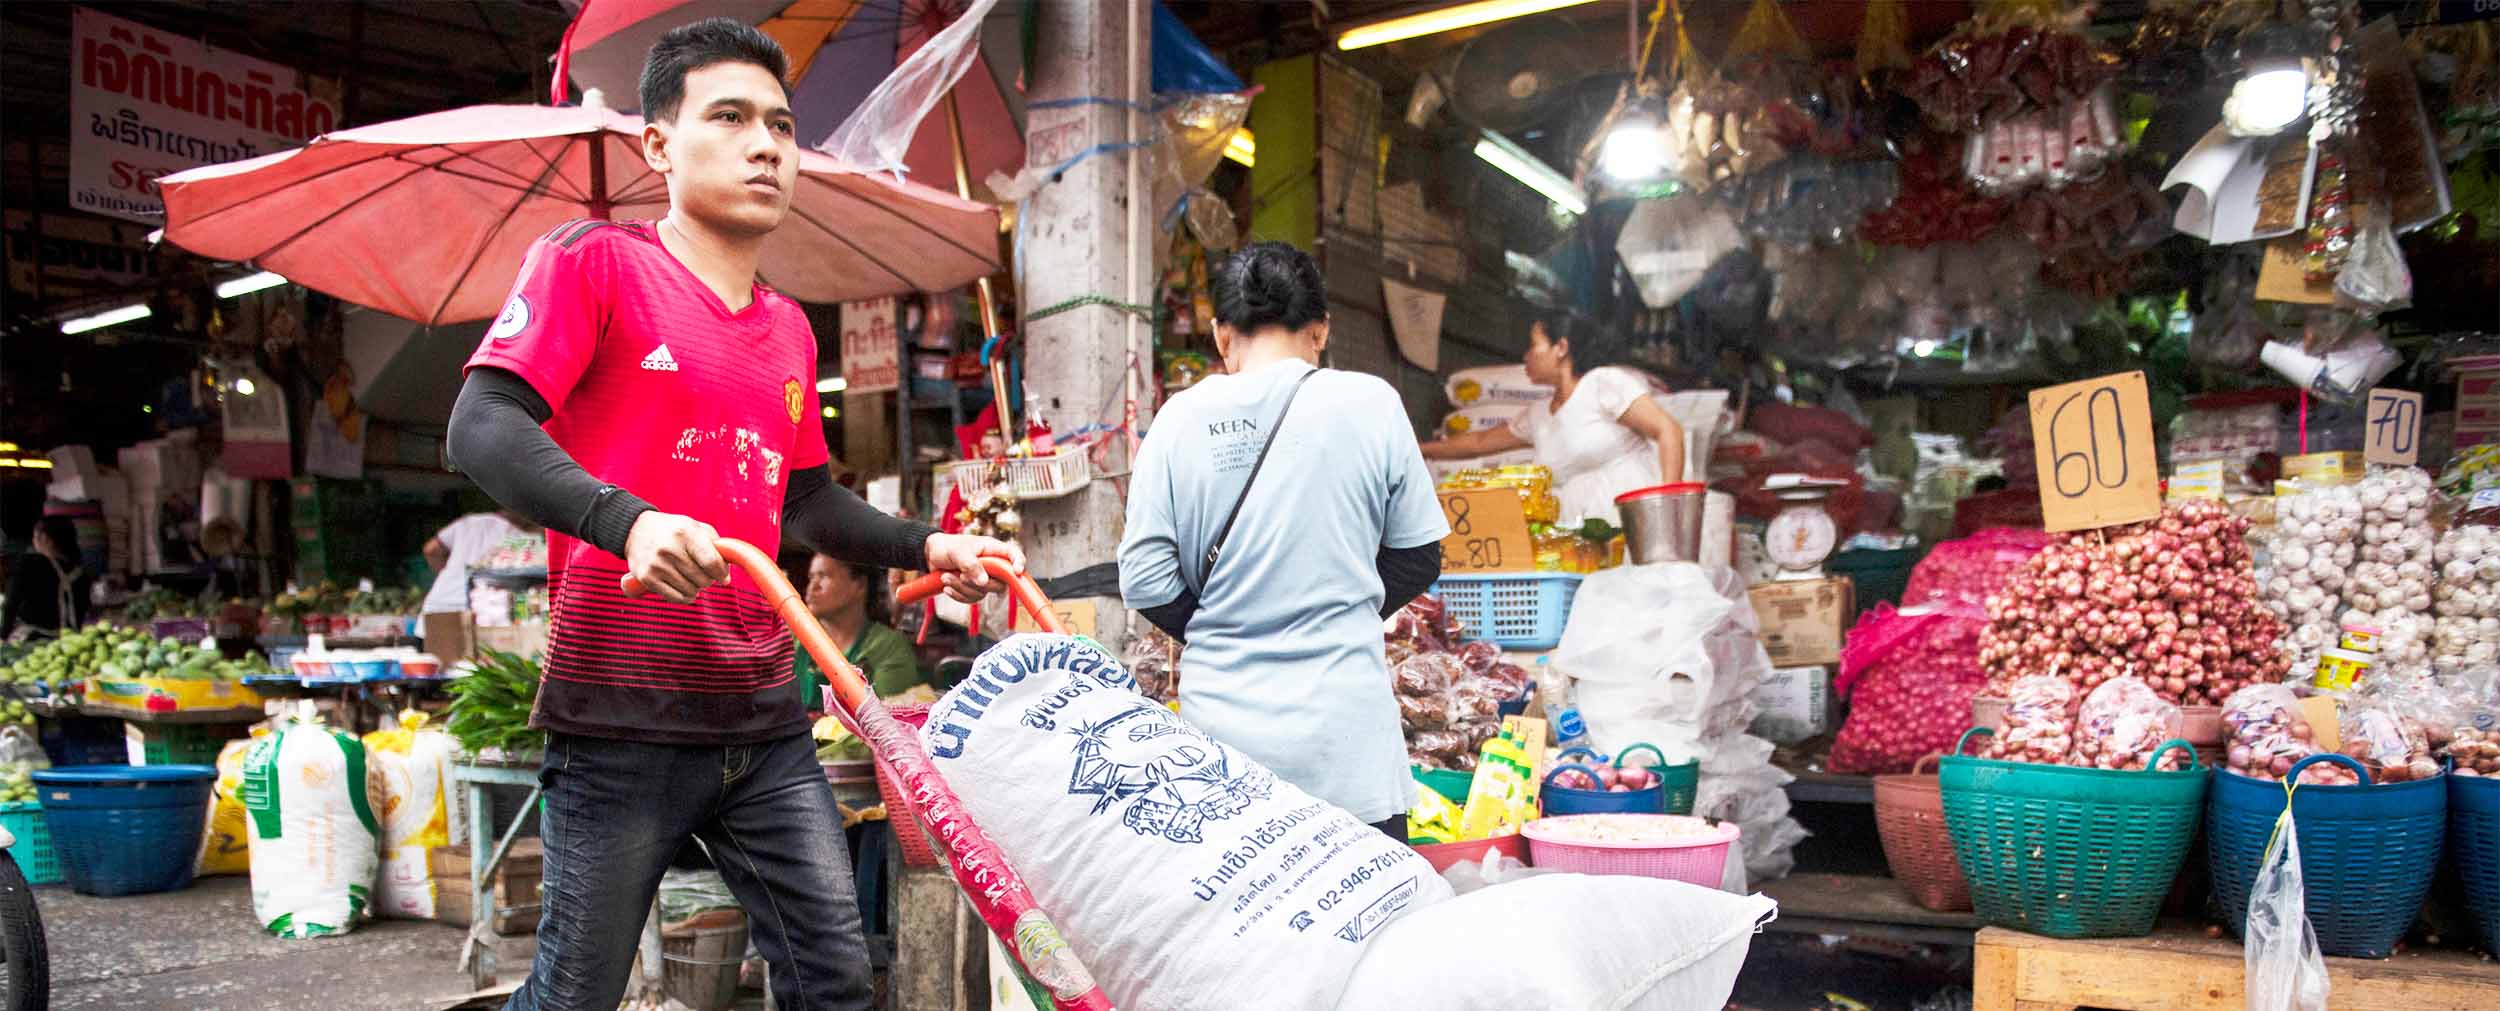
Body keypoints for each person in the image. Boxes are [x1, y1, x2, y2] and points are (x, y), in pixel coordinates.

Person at [441, 20, 1017, 1011]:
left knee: (834, 978)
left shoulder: (790, 328)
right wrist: (627, 523)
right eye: (731, 117)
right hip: (620, 721)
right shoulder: (592, 264)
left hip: (762, 721)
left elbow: (804, 503)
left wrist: (928, 542)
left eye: (783, 127)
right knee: (574, 994)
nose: (765, 145)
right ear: (659, 145)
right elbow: (481, 426)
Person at [1118, 242, 1447, 842]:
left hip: (1223, 760)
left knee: (1237, 932)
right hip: (1348, 752)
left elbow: (1144, 581)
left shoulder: (1176, 421)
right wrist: (1335, 613)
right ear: (1321, 331)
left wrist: (1229, 623)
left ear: (1221, 336)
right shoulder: (1371, 402)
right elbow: (1421, 555)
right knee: (1370, 929)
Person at [1419, 312, 1688, 527]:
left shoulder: (1602, 384)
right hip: (1579, 537)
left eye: (1534, 345)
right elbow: (1478, 442)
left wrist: (1667, 513)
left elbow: (1668, 431)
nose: (1526, 356)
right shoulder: (1537, 415)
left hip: (1634, 529)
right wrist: (1419, 449)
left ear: (1561, 347)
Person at [791, 553, 929, 705]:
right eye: (811, 577)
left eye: (824, 576)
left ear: (860, 585)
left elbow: (890, 718)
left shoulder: (887, 647)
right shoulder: (791, 639)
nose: (812, 587)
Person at [420, 510, 542, 616]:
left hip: (437, 603)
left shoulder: (469, 522)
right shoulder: (520, 537)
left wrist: (448, 577)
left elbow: (431, 549)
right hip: (476, 609)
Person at [2, 517, 91, 637]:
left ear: (45, 539)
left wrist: (3, 634)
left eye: (34, 536)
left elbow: (12, 603)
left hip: (34, 638)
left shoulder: (31, 563)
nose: (33, 541)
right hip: (70, 640)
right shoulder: (82, 574)